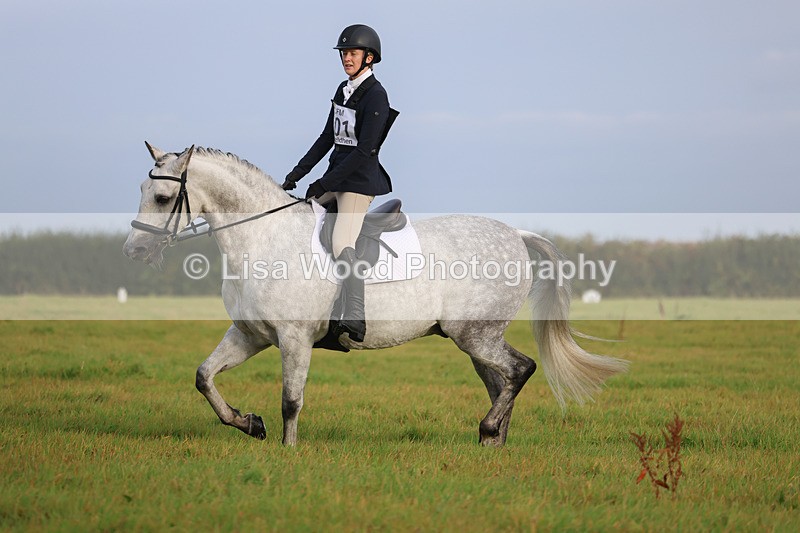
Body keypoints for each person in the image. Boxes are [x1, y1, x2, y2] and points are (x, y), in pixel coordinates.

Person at [282, 24, 396, 343]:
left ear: (369, 58)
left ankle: (356, 317)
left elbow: (364, 151)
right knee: (301, 225)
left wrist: (324, 183)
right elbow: (327, 138)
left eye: (353, 53)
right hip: (337, 175)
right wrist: (298, 173)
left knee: (341, 242)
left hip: (358, 182)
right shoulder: (342, 90)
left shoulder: (376, 95)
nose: (347, 57)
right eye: (344, 53)